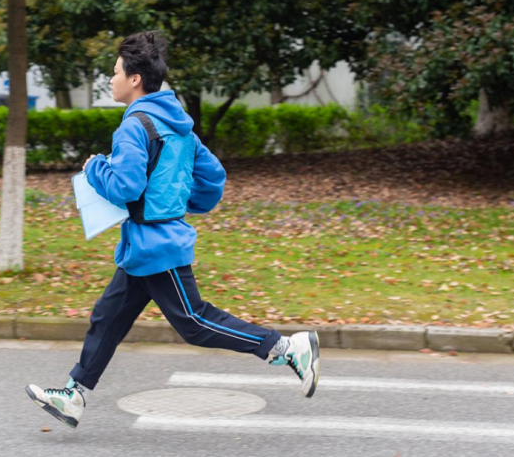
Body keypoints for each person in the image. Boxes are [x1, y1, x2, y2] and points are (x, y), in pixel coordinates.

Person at [24, 32, 320, 428]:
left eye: (114, 73)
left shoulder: (133, 126)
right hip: (143, 247)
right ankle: (73, 395)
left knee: (195, 323)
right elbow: (213, 179)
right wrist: (178, 202)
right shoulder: (180, 126)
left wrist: (95, 168)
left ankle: (285, 347)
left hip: (157, 247)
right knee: (107, 317)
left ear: (134, 79)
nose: (110, 80)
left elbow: (125, 186)